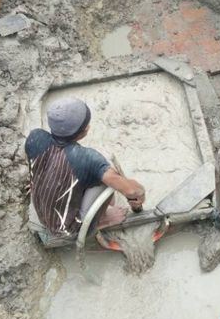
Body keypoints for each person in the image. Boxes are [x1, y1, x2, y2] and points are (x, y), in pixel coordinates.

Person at [25, 97, 146, 236]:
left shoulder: (35, 137)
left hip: (43, 213)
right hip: (67, 228)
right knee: (107, 172)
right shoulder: (87, 159)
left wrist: (36, 182)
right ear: (84, 131)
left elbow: (34, 163)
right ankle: (102, 218)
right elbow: (132, 191)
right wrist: (140, 192)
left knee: (92, 172)